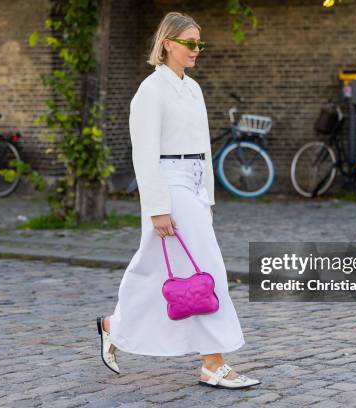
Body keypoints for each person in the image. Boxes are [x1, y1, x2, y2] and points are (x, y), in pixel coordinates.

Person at [96, 11, 261, 389]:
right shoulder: (150, 91)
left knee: (154, 270)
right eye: (189, 43)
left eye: (198, 43)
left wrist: (207, 197)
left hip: (193, 185)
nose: (195, 50)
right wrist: (157, 207)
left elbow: (202, 149)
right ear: (167, 43)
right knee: (208, 268)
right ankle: (213, 363)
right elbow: (144, 153)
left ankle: (112, 326)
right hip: (167, 185)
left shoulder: (194, 88)